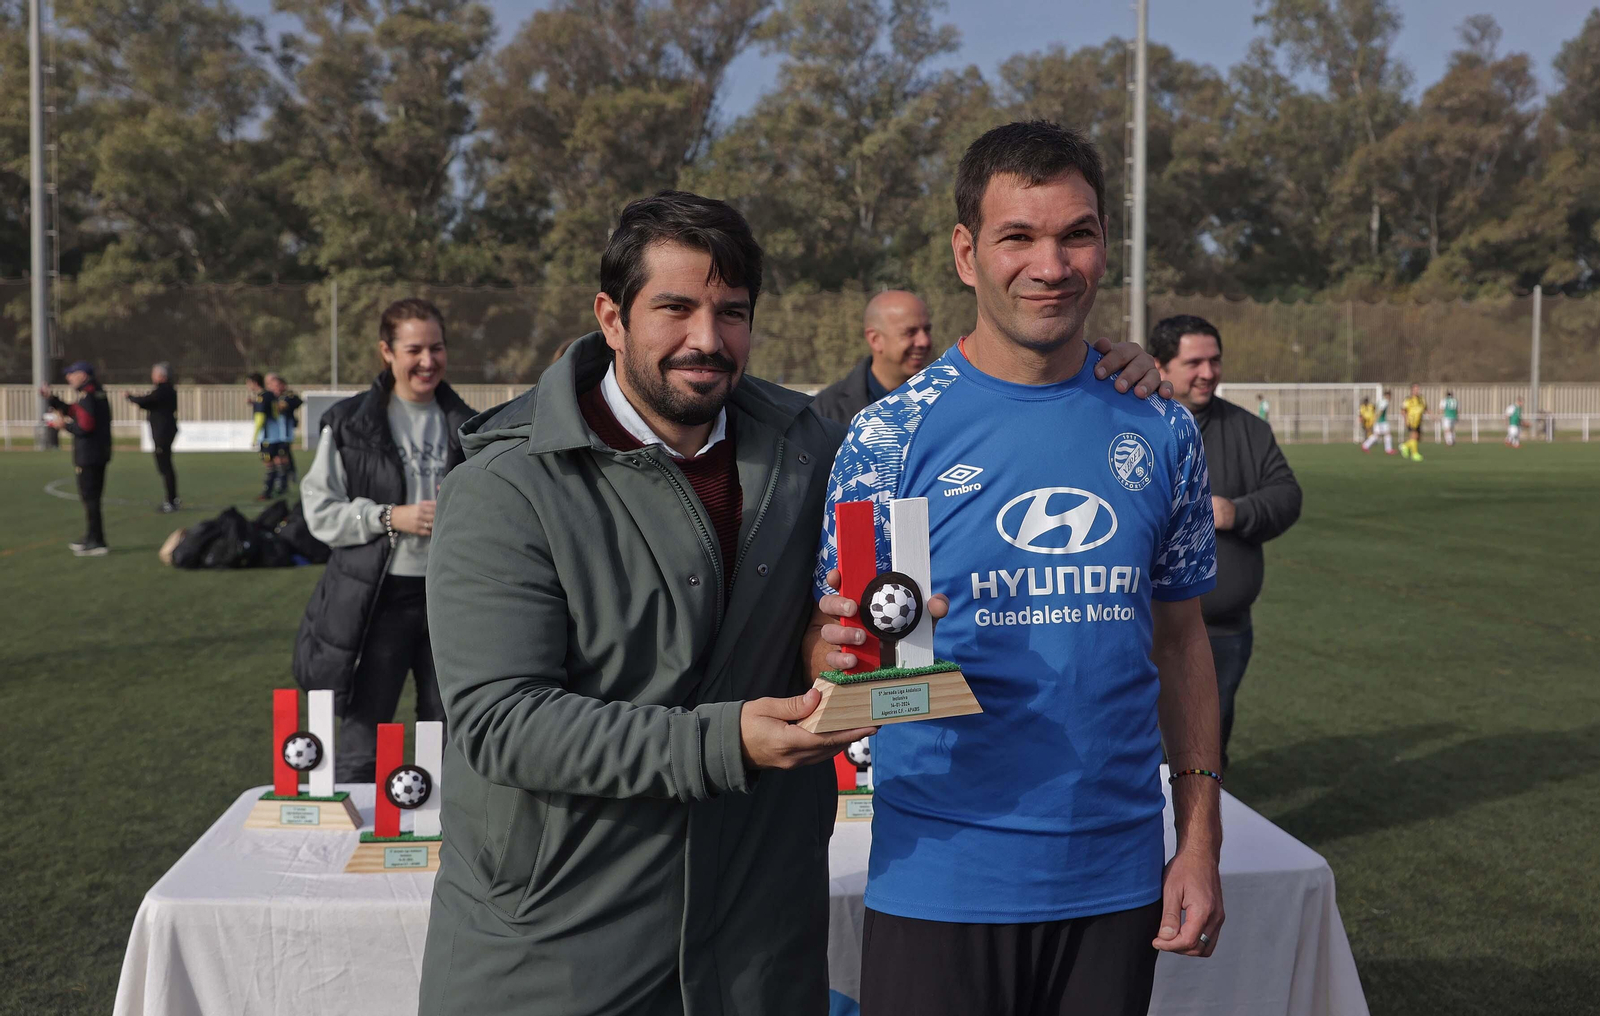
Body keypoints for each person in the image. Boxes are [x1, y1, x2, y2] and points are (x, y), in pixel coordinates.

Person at [415, 190, 1175, 1016]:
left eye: (731, 312)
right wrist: (724, 740)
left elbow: (863, 600)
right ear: (611, 315)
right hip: (562, 949)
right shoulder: (506, 482)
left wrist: (1097, 367)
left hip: (756, 945)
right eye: (675, 308)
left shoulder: (808, 446)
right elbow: (499, 721)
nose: (706, 340)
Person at [809, 121, 1223, 1016]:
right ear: (966, 253)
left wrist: (1198, 840)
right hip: (941, 875)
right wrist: (852, 663)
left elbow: (1183, 640)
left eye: (1076, 233)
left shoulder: (1161, 428)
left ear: (1104, 245)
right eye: (1018, 237)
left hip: (1114, 875)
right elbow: (837, 644)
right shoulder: (889, 436)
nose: (1051, 264)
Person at [294, 298, 476, 783]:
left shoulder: (473, 427)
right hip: (377, 595)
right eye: (414, 348)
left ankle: (443, 837)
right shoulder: (351, 422)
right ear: (386, 352)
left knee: (448, 723)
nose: (428, 361)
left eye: (436, 348)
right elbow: (320, 510)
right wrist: (389, 516)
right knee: (365, 728)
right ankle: (348, 844)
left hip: (450, 598)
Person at [1150, 314, 1302, 770]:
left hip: (1223, 631)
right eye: (1194, 361)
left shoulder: (1248, 430)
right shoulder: (1129, 427)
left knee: (1207, 748)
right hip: (1141, 627)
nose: (1208, 372)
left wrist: (1236, 512)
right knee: (1141, 747)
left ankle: (1203, 839)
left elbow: (1286, 495)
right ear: (1160, 366)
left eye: (1215, 361)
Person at [812, 290, 934, 424]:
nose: (924, 341)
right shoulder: (825, 412)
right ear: (875, 339)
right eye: (910, 332)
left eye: (927, 330)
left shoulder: (945, 399)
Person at [42, 361, 114, 556]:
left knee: (90, 499)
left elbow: (85, 426)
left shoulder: (89, 395)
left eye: (72, 374)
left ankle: (97, 541)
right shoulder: (94, 392)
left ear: (83, 375)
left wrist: (63, 425)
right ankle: (91, 536)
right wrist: (52, 399)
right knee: (91, 499)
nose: (68, 378)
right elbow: (74, 410)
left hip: (89, 455)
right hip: (97, 453)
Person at [126, 362, 180, 511]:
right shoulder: (167, 390)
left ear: (161, 376)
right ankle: (172, 498)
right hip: (165, 430)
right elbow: (148, 403)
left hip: (163, 432)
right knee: (165, 465)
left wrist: (131, 397)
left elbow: (146, 400)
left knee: (165, 466)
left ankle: (171, 501)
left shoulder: (163, 391)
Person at [254, 373, 303, 499]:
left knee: (281, 459)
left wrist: (285, 405)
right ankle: (282, 482)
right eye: (271, 385)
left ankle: (280, 485)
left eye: (276, 385)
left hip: (283, 436)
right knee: (276, 460)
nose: (274, 388)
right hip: (272, 437)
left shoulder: (288, 397)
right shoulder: (269, 398)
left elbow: (297, 401)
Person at [1401, 383, 1426, 461]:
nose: (1417, 391)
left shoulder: (1421, 399)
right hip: (1411, 421)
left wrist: (1432, 416)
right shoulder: (1408, 399)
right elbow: (1403, 410)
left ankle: (1405, 446)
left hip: (1418, 421)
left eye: (1418, 389)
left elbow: (1425, 408)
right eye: (1415, 389)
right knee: (1414, 436)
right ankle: (1414, 454)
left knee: (1418, 438)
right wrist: (1405, 420)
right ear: (1411, 390)